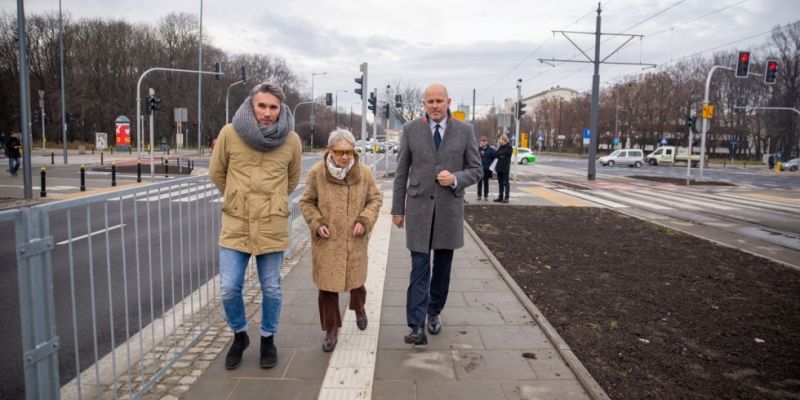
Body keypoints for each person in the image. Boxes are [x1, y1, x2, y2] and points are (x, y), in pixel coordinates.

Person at [209, 82, 302, 370]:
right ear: (252, 105)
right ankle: (239, 335)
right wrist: (238, 198)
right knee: (228, 287)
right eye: (262, 106)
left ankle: (267, 338)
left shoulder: (292, 140)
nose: (267, 112)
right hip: (236, 221)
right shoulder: (230, 133)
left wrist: (271, 201)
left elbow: (292, 179)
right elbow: (217, 172)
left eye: (273, 107)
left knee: (271, 287)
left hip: (271, 224)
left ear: (281, 109)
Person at [391, 83, 482, 345]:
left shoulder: (465, 131)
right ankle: (416, 325)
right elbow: (401, 172)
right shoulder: (411, 130)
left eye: (439, 101)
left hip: (448, 212)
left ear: (448, 102)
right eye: (430, 101)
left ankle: (434, 311)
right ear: (423, 104)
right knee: (419, 268)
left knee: (442, 269)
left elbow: (476, 169)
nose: (434, 106)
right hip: (418, 210)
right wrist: (398, 209)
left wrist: (455, 178)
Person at [299, 129, 382, 352]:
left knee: (356, 282)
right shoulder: (317, 173)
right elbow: (306, 202)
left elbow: (374, 199)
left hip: (354, 241)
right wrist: (317, 223)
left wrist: (364, 221)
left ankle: (359, 307)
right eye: (340, 152)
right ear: (330, 150)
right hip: (328, 242)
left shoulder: (363, 172)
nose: (345, 157)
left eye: (349, 151)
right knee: (327, 288)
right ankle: (331, 329)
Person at [494, 135, 512, 203]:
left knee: (506, 183)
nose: (499, 141)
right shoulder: (501, 147)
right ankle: (500, 197)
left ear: (504, 140)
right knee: (500, 183)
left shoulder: (509, 147)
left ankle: (506, 197)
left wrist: (500, 155)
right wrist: (501, 155)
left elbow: (504, 153)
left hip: (505, 168)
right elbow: (496, 154)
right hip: (499, 168)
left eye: (500, 140)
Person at [477, 136, 496, 201]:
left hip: (487, 169)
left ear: (487, 142)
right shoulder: (478, 149)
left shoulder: (491, 150)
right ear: (480, 142)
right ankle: (479, 195)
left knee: (486, 183)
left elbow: (495, 158)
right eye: (482, 141)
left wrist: (492, 166)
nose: (483, 143)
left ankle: (486, 196)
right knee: (479, 182)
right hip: (479, 169)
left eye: (484, 141)